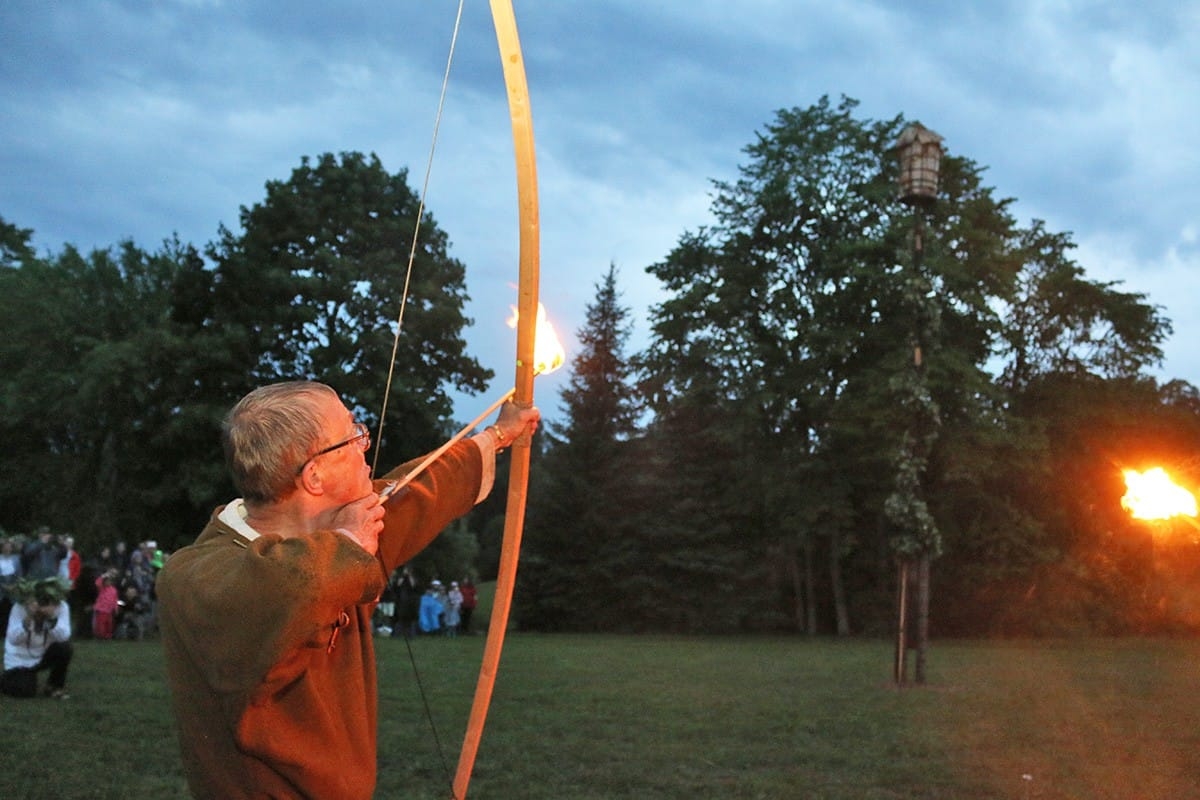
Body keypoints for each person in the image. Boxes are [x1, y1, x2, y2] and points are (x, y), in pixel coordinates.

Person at [156, 380, 537, 800]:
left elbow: (418, 489)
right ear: (314, 475)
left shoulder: (343, 531)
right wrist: (349, 546)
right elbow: (282, 587)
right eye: (352, 434)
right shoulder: (196, 576)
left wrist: (498, 435)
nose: (364, 445)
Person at [2, 576, 74, 699]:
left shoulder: (61, 607)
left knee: (65, 648)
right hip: (20, 660)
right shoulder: (20, 607)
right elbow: (13, 639)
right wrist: (28, 619)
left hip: (43, 655)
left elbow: (64, 636)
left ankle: (53, 686)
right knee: (25, 692)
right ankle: (7, 679)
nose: (42, 603)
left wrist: (51, 619)